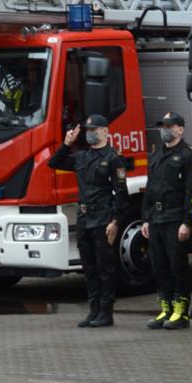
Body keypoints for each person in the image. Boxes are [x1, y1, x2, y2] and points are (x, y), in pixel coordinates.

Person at [47, 114, 129, 329]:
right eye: (88, 130)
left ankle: (106, 312)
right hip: (84, 219)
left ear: (105, 132)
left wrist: (115, 221)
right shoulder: (81, 157)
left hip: (103, 219)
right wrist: (67, 143)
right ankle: (93, 310)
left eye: (94, 130)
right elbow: (53, 162)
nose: (90, 133)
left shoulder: (113, 158)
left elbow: (121, 193)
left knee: (105, 268)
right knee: (89, 268)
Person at [139, 112, 192, 330]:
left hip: (175, 219)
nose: (164, 129)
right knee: (159, 266)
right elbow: (150, 189)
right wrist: (146, 218)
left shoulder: (189, 155)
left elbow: (191, 192)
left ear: (180, 129)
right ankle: (166, 308)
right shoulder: (156, 155)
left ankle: (181, 312)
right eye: (162, 125)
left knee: (178, 266)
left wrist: (187, 222)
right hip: (156, 219)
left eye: (169, 126)